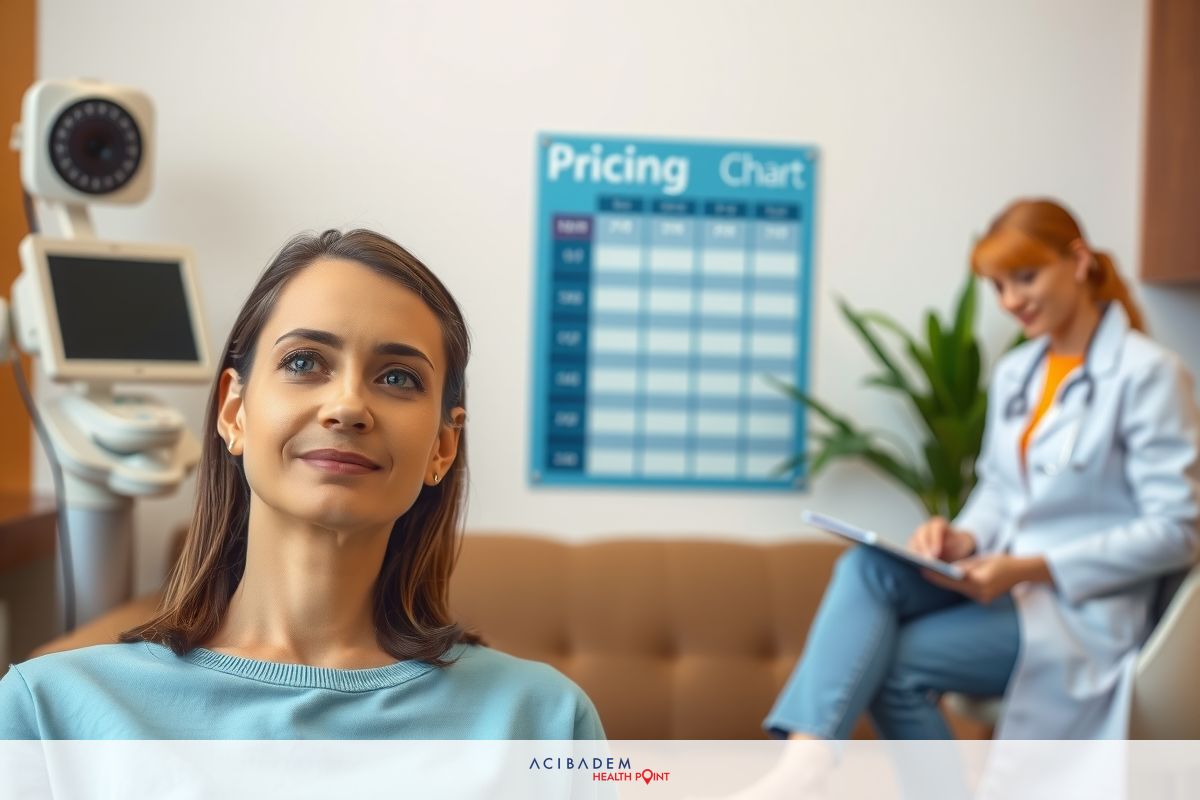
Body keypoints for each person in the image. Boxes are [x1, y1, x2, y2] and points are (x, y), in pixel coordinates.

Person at [0, 229, 604, 740]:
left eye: (397, 377)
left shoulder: (545, 721)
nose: (348, 407)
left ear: (442, 446)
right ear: (234, 412)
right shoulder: (48, 712)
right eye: (304, 362)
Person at [718, 199, 1200, 798]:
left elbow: (1179, 530)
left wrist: (1029, 567)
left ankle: (812, 766)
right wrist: (963, 535)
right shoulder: (1019, 372)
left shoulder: (1149, 372)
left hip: (1083, 614)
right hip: (1007, 590)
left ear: (1077, 262)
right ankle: (805, 761)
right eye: (998, 285)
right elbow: (1001, 488)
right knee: (867, 563)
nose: (1009, 300)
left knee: (895, 667)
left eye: (1024, 277)